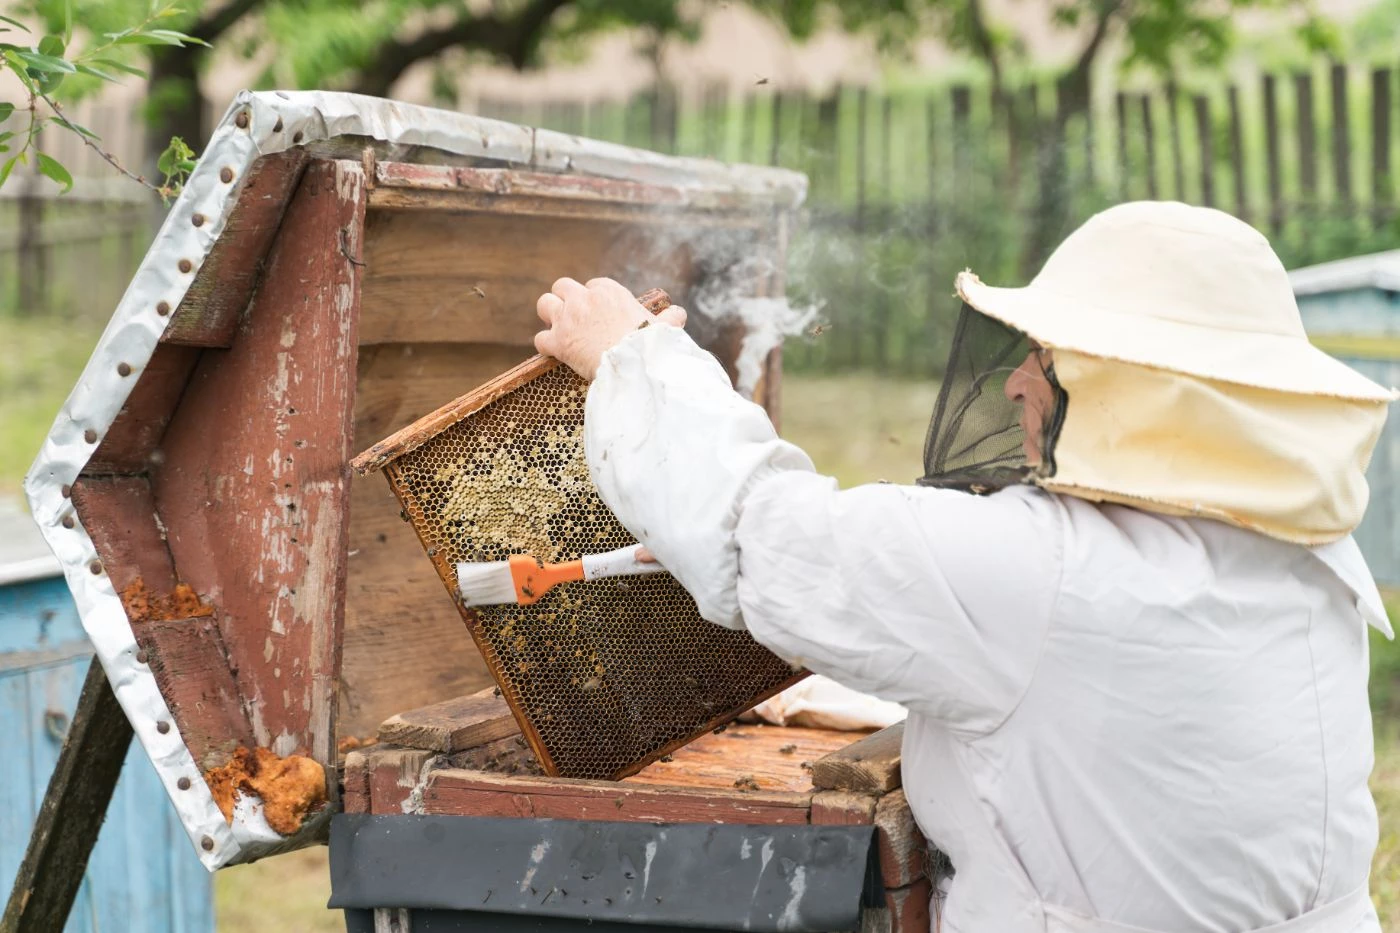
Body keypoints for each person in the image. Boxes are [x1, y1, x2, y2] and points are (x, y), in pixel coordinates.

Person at [532, 201, 1394, 933]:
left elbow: (762, 530)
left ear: (1140, 386)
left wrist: (631, 357)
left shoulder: (1046, 570)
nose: (1018, 382)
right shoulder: (1310, 553)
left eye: (1048, 358)